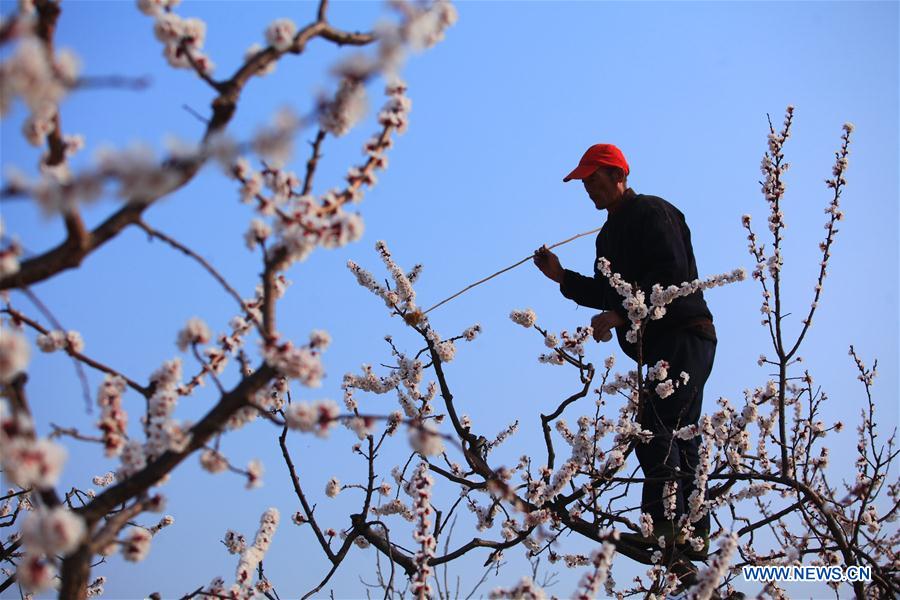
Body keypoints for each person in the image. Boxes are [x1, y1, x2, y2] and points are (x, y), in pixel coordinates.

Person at [532, 143, 716, 560]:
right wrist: (561, 276)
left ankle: (667, 528)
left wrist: (619, 314)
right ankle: (689, 535)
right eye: (583, 184)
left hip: (683, 333)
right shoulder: (607, 235)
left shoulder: (654, 212)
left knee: (658, 428)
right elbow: (607, 291)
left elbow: (673, 274)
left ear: (618, 175)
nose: (588, 190)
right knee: (676, 432)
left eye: (592, 180)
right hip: (658, 345)